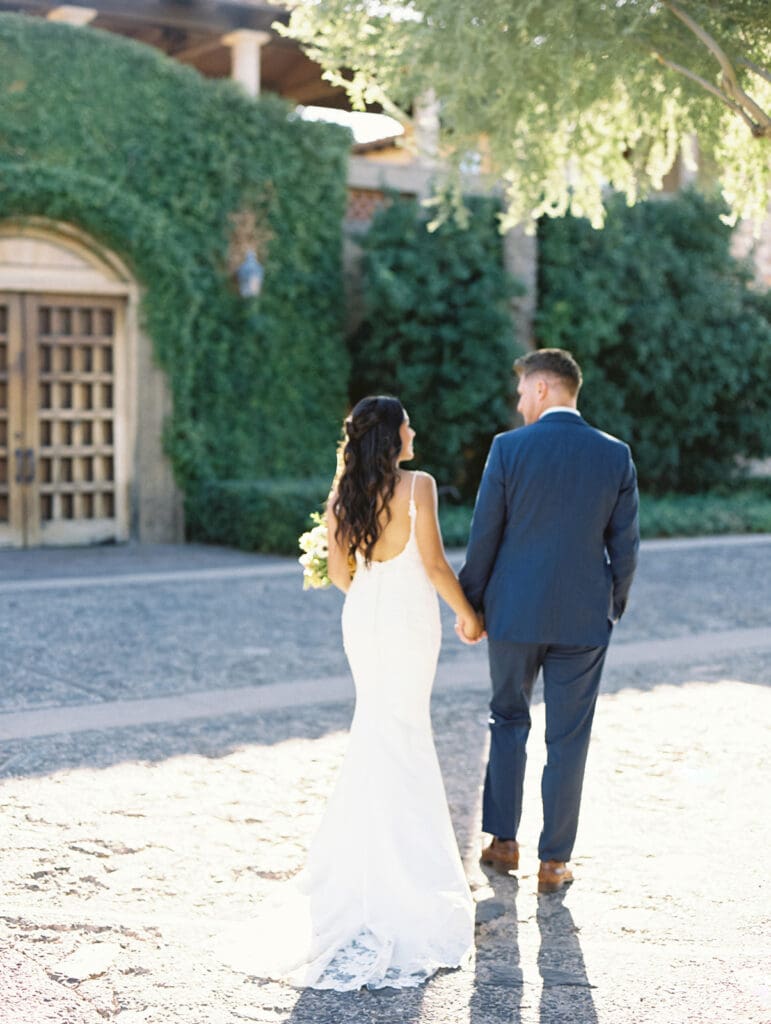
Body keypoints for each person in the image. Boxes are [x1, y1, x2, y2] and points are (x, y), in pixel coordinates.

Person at [217, 395, 482, 990]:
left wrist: (375, 585)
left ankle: (360, 868)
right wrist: (469, 615)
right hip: (412, 621)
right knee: (405, 732)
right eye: (407, 422)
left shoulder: (344, 493)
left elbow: (341, 575)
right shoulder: (419, 487)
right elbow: (437, 565)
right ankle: (403, 874)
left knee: (377, 730)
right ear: (392, 435)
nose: (414, 428)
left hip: (365, 619)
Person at [458, 348, 639, 894]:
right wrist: (612, 607)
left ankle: (503, 843)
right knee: (570, 739)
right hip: (584, 620)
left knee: (508, 719)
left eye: (520, 392)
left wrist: (472, 607)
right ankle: (554, 863)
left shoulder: (508, 449)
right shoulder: (615, 455)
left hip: (513, 613)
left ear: (542, 388)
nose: (517, 404)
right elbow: (625, 547)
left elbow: (484, 536)